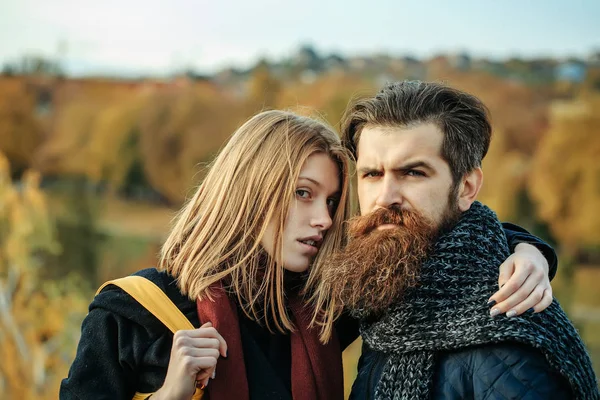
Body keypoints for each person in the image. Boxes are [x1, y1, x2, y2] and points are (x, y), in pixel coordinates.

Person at [61, 109, 558, 400]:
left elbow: (429, 235)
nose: (323, 219)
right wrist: (171, 395)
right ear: (249, 190)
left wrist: (525, 249)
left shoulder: (325, 306)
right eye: (303, 194)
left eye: (330, 201)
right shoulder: (131, 313)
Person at [312, 81, 599, 399]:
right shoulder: (381, 287)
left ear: (466, 187)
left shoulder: (507, 332)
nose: (385, 197)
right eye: (372, 175)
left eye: (413, 173)